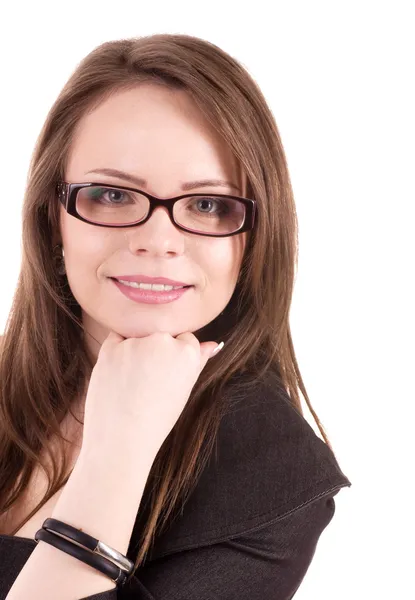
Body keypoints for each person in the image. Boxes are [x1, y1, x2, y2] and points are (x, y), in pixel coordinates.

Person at [0, 33, 351, 599]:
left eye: (208, 205)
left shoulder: (273, 477)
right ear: (52, 217)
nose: (158, 240)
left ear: (255, 236)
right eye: (112, 196)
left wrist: (119, 451)